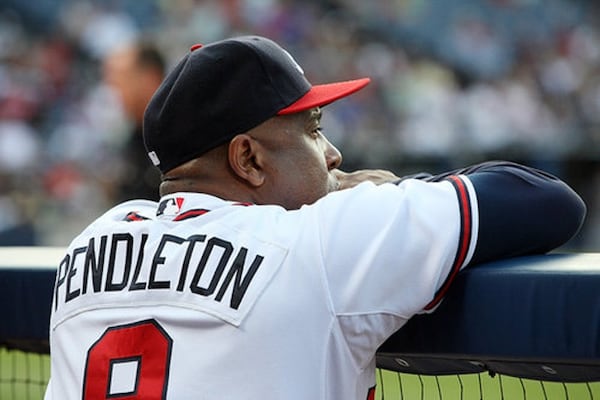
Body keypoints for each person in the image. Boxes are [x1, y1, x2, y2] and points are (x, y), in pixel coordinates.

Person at [45, 36, 586, 400]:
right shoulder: (313, 245)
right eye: (312, 129)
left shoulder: (90, 246)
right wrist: (374, 188)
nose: (333, 155)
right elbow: (545, 200)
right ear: (248, 159)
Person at [102, 41, 165, 201]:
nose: (112, 91)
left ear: (149, 78)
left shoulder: (186, 133)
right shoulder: (129, 145)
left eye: (119, 80)